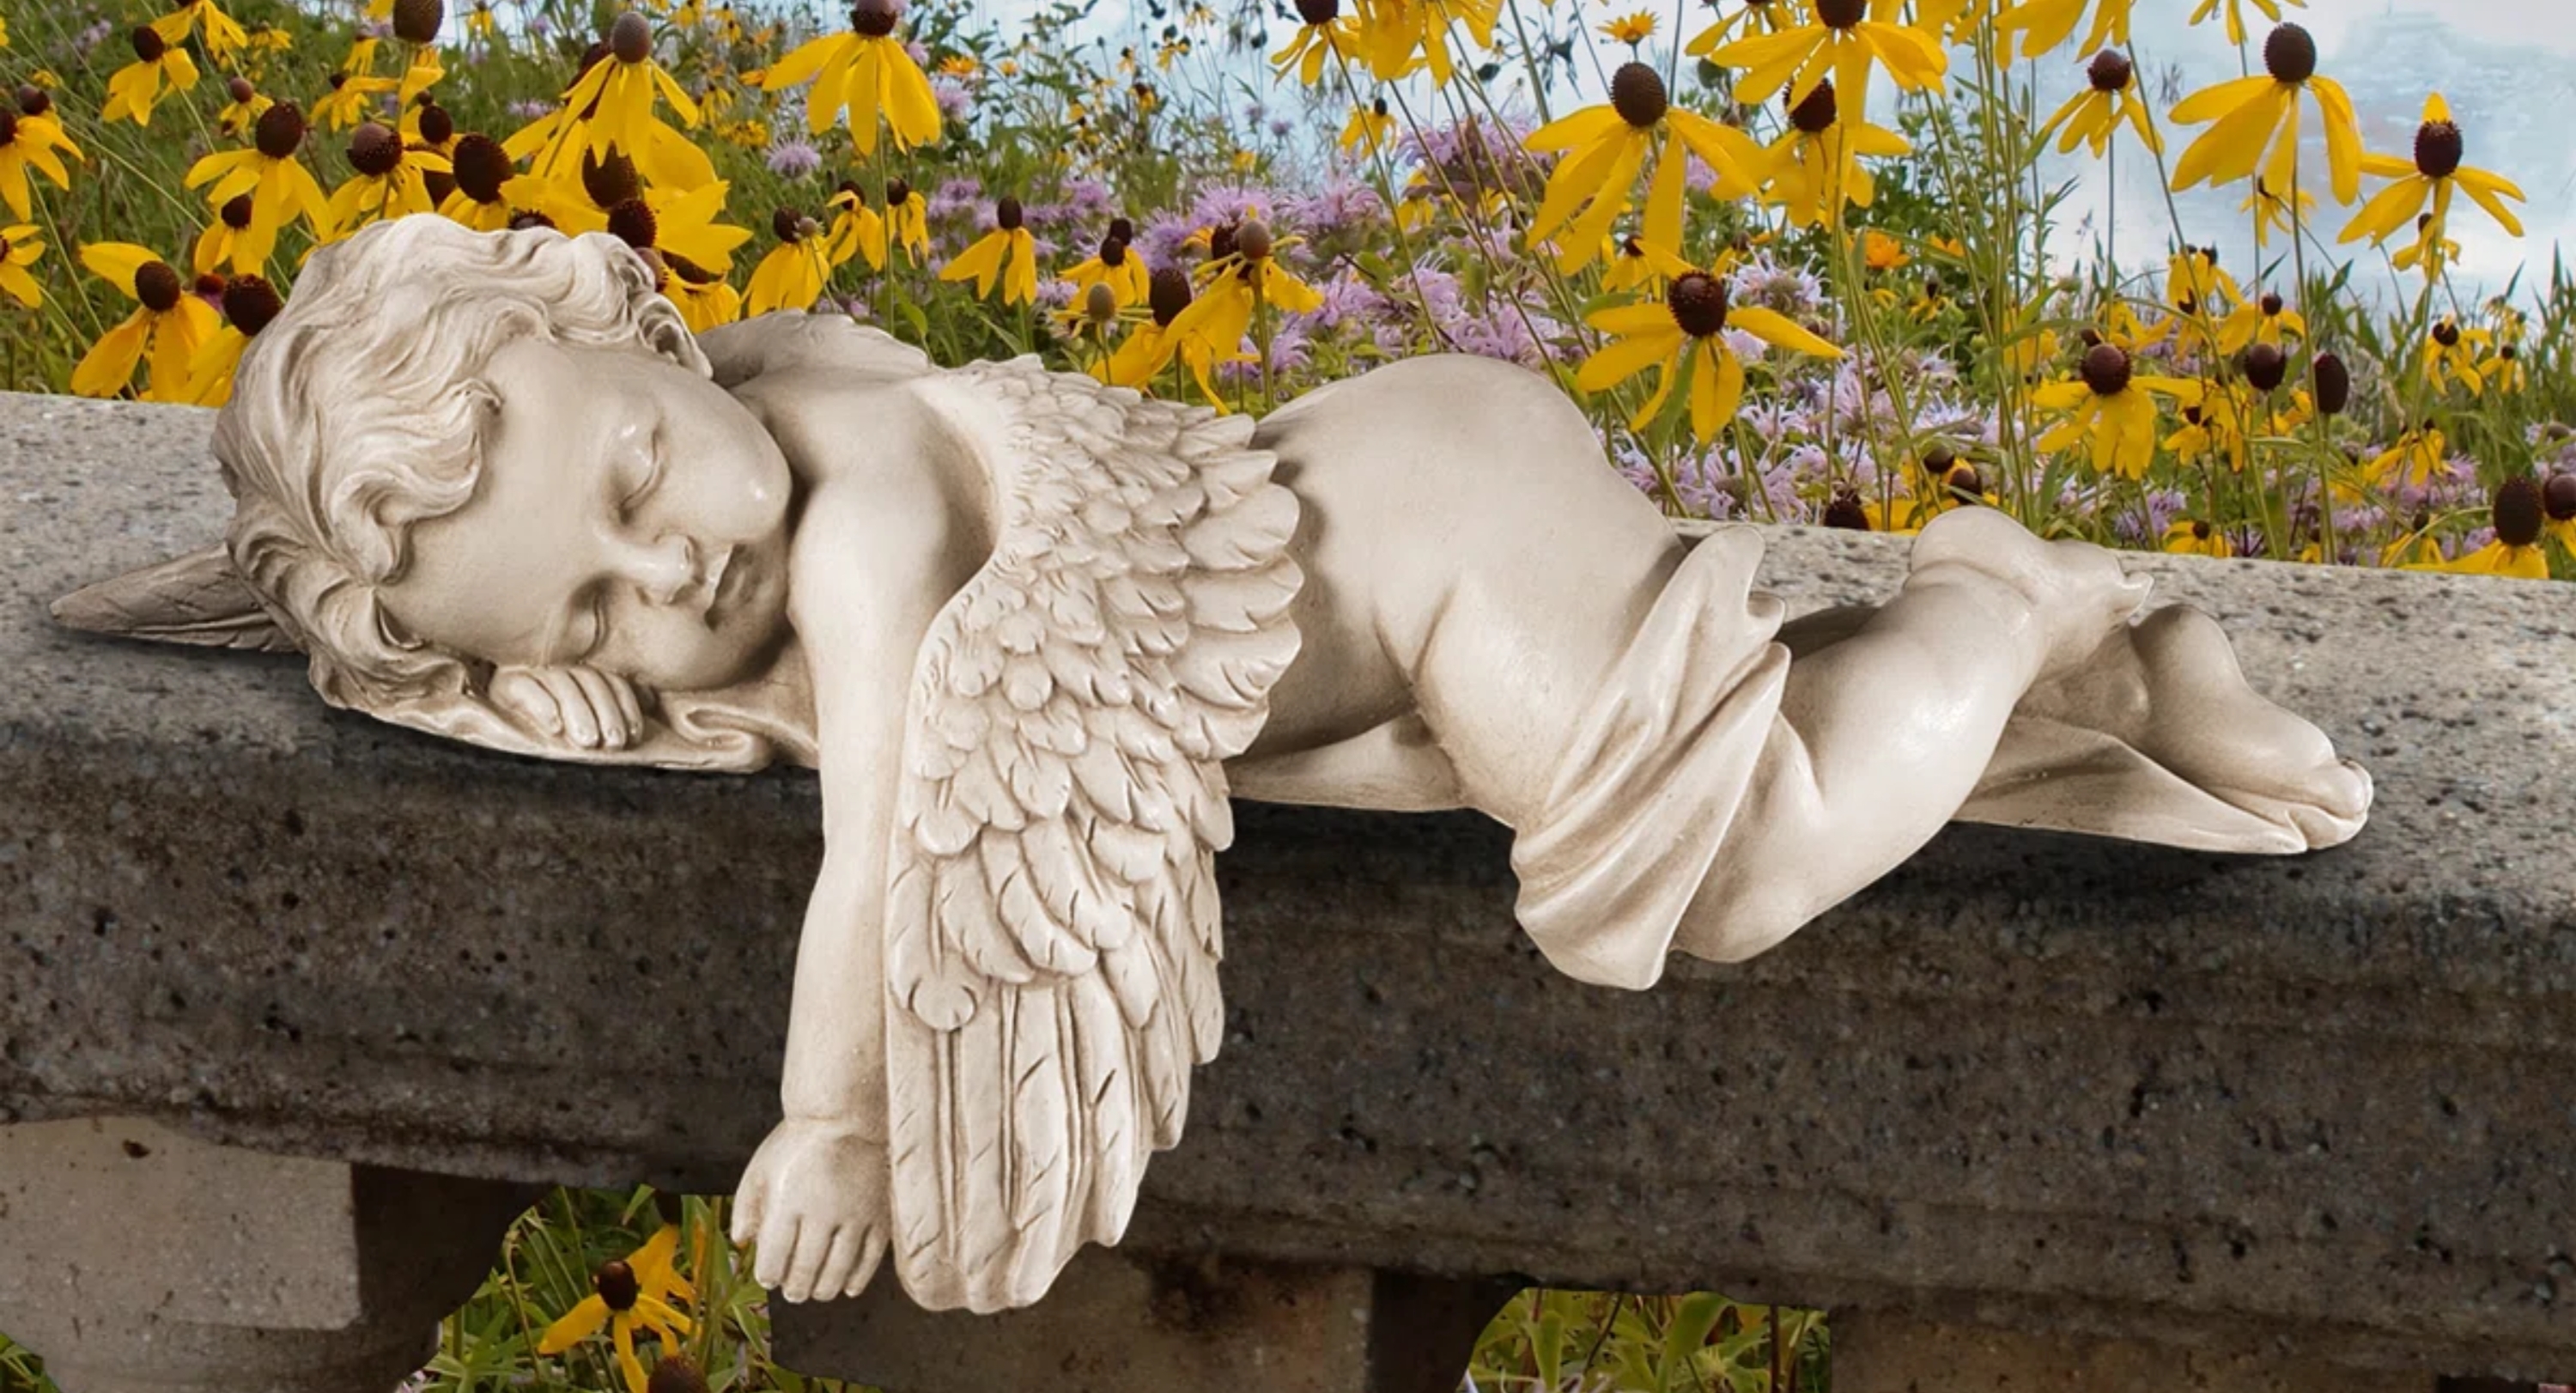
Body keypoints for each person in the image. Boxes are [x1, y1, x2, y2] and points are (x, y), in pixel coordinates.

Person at [62, 216, 2370, 1314]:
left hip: (1435, 524)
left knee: (1697, 876)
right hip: (1368, 599)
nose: (671, 579)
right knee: (1705, 799)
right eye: (587, 615)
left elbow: (892, 842)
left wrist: (847, 1117)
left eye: (645, 471)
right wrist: (284, 596)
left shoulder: (856, 519)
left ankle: (2009, 597)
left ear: (659, 339)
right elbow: (395, 595)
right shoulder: (743, 419)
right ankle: (2070, 672)